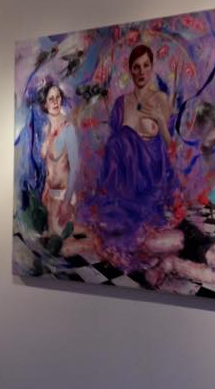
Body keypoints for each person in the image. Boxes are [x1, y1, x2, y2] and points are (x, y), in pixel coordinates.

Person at [93, 44, 176, 253]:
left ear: (152, 67)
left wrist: (159, 119)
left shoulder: (160, 99)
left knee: (124, 138)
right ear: (130, 70)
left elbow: (169, 144)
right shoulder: (121, 103)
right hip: (124, 175)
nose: (141, 72)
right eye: (136, 67)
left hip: (151, 172)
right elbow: (113, 145)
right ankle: (119, 205)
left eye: (146, 65)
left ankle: (131, 211)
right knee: (120, 139)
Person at [39, 82, 78, 236]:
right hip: (50, 197)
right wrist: (46, 189)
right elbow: (48, 165)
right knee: (48, 241)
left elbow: (75, 169)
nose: (55, 102)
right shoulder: (46, 129)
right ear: (45, 104)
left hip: (64, 197)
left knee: (61, 244)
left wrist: (66, 203)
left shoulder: (68, 129)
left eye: (58, 97)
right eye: (51, 99)